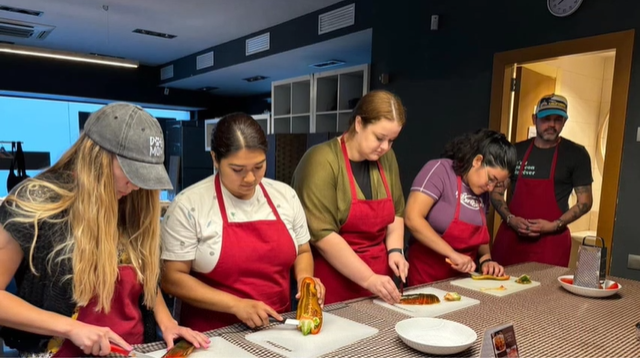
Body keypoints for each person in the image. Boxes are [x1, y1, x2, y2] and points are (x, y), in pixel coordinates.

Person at [0, 103, 209, 357]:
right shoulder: (35, 203)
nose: (135, 185)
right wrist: (71, 327)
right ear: (96, 156)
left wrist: (168, 323)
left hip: (133, 349)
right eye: (130, 173)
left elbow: (146, 279)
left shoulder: (132, 200)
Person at [161, 113, 325, 332]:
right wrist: (235, 304)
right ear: (215, 160)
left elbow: (303, 251)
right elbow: (172, 278)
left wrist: (306, 281)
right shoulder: (188, 205)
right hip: (212, 334)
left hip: (277, 327)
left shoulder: (285, 196)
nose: (250, 179)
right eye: (238, 170)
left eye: (259, 167)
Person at [292, 90, 408, 305]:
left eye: (392, 141)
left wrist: (395, 251)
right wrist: (369, 278)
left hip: (381, 285)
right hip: (336, 285)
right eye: (379, 138)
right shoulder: (321, 160)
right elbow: (323, 235)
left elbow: (397, 213)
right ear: (358, 123)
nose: (385, 147)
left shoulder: (387, 158)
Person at [491, 94, 593, 267]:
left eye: (558, 120)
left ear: (564, 122)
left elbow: (585, 202)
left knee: (545, 293)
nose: (552, 125)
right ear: (534, 119)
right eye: (546, 119)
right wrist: (510, 219)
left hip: (551, 244)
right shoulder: (516, 151)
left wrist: (554, 225)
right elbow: (496, 191)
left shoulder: (576, 154)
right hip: (511, 240)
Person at [405, 129, 516, 285]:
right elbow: (412, 218)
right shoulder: (440, 170)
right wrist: (452, 253)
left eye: (496, 184)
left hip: (462, 282)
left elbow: (480, 234)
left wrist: (486, 260)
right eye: (491, 179)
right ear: (477, 161)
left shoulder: (482, 190)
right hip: (426, 277)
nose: (491, 188)